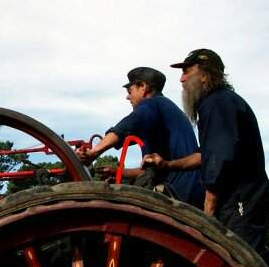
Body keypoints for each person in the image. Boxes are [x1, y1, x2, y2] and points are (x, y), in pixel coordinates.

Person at [143, 49, 269, 249]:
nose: (181, 79)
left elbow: (219, 158)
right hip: (242, 198)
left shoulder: (217, 103)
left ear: (205, 75)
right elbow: (206, 155)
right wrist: (168, 164)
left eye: (187, 72)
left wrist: (208, 211)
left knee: (236, 265)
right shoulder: (219, 102)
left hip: (240, 200)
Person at [75, 66, 203, 206]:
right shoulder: (164, 112)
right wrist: (118, 172)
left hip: (177, 193)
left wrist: (94, 152)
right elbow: (150, 171)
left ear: (143, 87)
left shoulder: (151, 104)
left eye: (130, 91)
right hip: (191, 192)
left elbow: (125, 127)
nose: (128, 97)